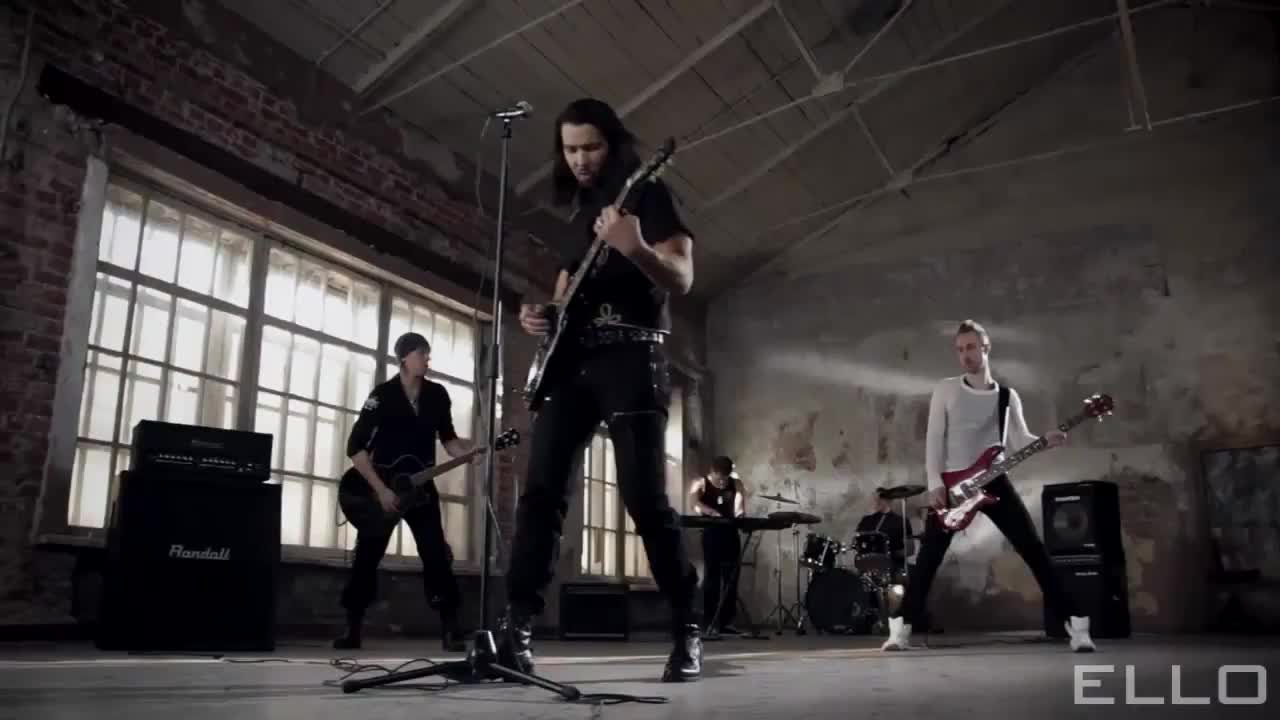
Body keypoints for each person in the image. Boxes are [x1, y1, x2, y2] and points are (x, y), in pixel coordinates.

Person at [499, 97, 702, 682]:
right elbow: (564, 298)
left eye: (590, 146)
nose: (580, 158)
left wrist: (635, 247)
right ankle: (516, 628)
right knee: (541, 493)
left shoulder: (647, 196)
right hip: (572, 365)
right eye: (570, 149)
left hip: (632, 357)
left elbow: (683, 277)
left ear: (612, 144)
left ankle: (687, 626)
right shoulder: (579, 216)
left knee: (644, 499)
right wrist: (541, 315)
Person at [882, 319, 1096, 653]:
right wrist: (935, 482)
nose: (965, 355)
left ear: (986, 348)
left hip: (994, 481)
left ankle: (1077, 625)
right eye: (960, 349)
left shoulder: (1007, 397)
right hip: (952, 486)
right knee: (929, 558)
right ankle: (901, 630)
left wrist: (1046, 439)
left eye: (971, 347)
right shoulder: (946, 389)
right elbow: (934, 439)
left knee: (1033, 549)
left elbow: (1019, 440)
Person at [334, 332, 475, 653]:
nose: (427, 360)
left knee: (436, 553)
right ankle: (352, 627)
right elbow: (355, 448)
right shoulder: (381, 396)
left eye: (427, 354)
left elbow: (449, 440)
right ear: (404, 358)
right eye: (421, 354)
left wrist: (469, 452)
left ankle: (450, 628)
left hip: (421, 489)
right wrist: (381, 490)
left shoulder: (438, 395)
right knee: (367, 555)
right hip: (383, 488)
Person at [689, 456, 745, 636]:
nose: (722, 482)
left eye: (725, 479)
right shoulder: (701, 483)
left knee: (731, 579)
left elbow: (739, 504)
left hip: (730, 534)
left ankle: (727, 622)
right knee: (712, 578)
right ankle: (709, 622)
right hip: (711, 534)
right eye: (719, 478)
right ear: (712, 472)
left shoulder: (736, 484)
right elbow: (694, 503)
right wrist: (710, 512)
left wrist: (739, 513)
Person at [855, 488, 914, 574]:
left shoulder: (902, 521)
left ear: (888, 500)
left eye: (877, 499)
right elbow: (858, 543)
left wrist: (888, 554)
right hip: (868, 568)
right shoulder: (866, 520)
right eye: (873, 499)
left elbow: (910, 550)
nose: (874, 501)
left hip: (893, 568)